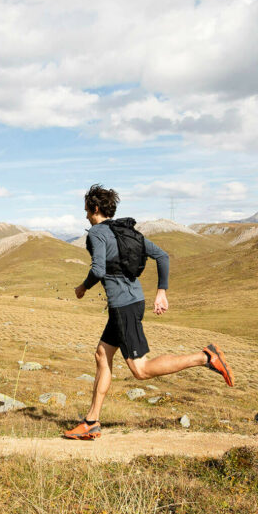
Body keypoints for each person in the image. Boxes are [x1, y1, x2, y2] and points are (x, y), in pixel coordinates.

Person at [63, 184, 234, 441]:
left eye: (86, 209)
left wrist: (83, 287)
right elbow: (162, 256)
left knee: (140, 369)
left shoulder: (98, 233)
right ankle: (91, 421)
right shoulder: (125, 232)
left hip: (123, 307)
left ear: (95, 208)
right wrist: (161, 291)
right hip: (131, 302)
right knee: (102, 354)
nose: (85, 214)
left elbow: (98, 269)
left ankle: (205, 357)